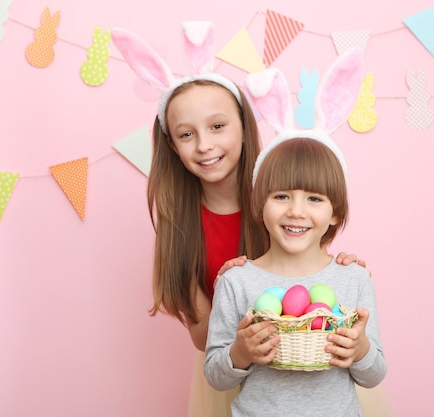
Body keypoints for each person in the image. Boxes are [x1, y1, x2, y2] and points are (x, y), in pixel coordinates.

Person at [111, 23, 365, 417]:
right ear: (172, 146)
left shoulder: (281, 205)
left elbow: (315, 286)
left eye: (217, 126)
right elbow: (202, 338)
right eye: (186, 134)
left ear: (245, 129)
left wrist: (340, 270)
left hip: (311, 380)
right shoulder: (181, 226)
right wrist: (237, 291)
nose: (205, 145)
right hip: (237, 373)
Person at [204, 54, 387, 416]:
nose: (296, 211)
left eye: (314, 199)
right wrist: (240, 353)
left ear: (335, 212)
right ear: (260, 206)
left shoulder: (353, 279)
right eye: (282, 196)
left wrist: (360, 350)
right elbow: (215, 375)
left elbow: (374, 374)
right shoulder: (237, 281)